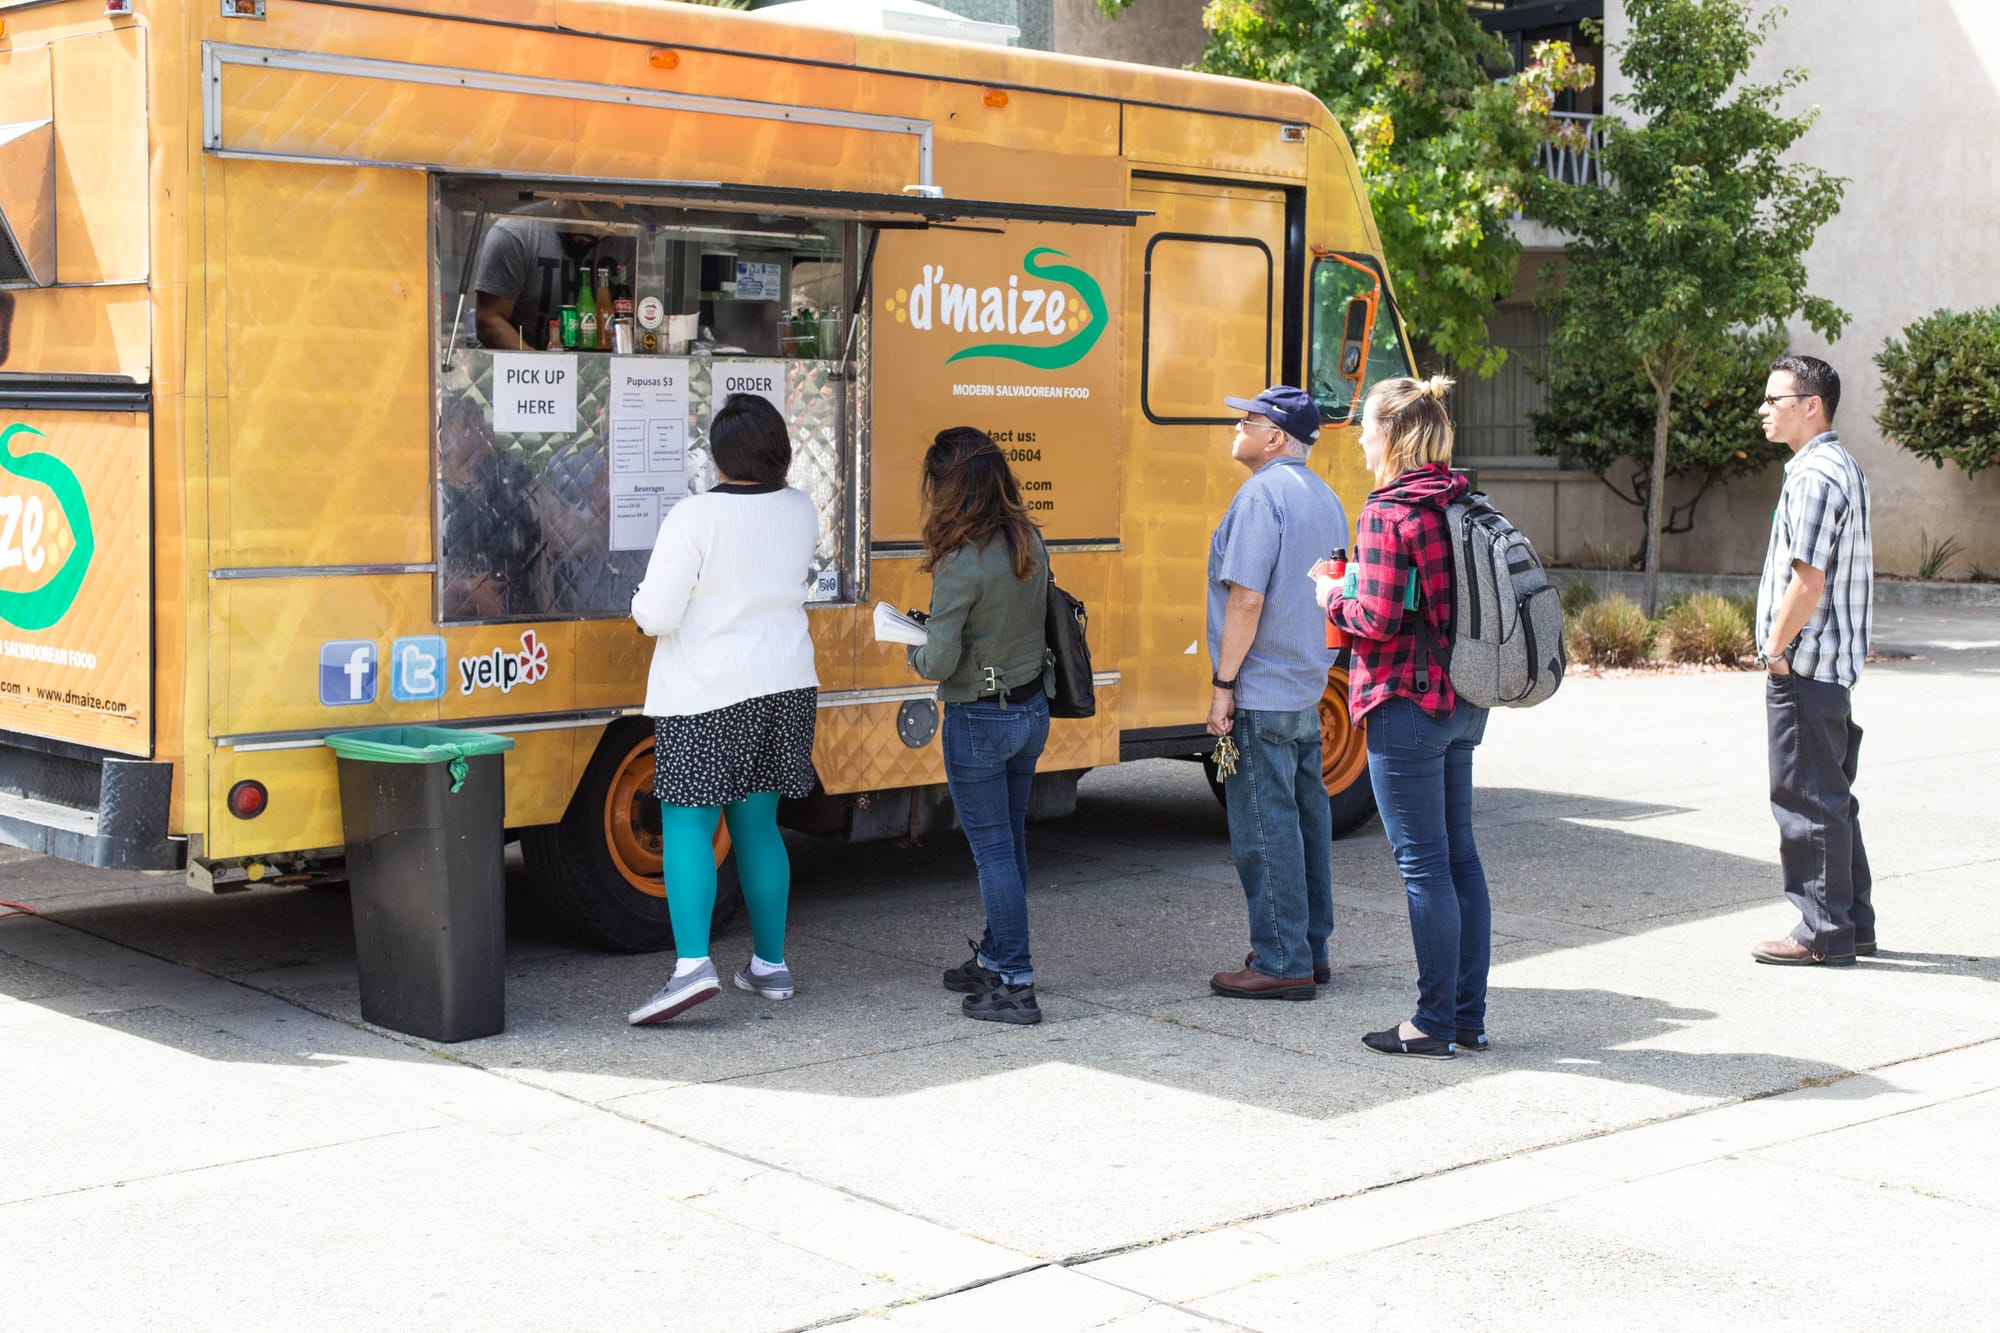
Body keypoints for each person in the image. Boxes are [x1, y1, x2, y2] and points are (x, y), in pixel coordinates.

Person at [626, 395, 820, 1024]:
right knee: (757, 826)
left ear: (717, 455)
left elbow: (655, 614)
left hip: (709, 691)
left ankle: (690, 970)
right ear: (779, 449)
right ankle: (769, 965)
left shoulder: (694, 516)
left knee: (686, 823)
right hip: (785, 685)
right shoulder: (799, 508)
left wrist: (637, 602)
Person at [1320, 374, 1488, 1060]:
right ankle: (1467, 1017)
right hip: (1465, 698)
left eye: (1365, 426)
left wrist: (1330, 596)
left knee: (1423, 867)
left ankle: (1432, 1022)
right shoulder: (1461, 498)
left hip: (1404, 702)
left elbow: (1378, 617)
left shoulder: (1388, 511)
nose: (1360, 439)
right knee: (1460, 858)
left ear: (1391, 434)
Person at [1205, 386, 1348, 1002]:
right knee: (1306, 820)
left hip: (1260, 688)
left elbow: (1247, 598)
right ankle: (1309, 949)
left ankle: (1281, 959)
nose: (1237, 428)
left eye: (1249, 420)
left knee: (1264, 827)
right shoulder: (1327, 497)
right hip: (1305, 689)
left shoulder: (1261, 495)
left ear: (1276, 437)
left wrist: (1223, 685)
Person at [908, 427, 1052, 1026]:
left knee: (992, 852)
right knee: (1011, 843)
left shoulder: (961, 563)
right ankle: (995, 956)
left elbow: (937, 661)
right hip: (1030, 711)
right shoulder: (1029, 540)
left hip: (978, 720)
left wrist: (912, 646)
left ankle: (1016, 983)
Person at [1749, 354, 1875, 967]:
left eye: (1775, 400)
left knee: (1806, 799)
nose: (1763, 410)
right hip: (1825, 666)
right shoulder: (1832, 467)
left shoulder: (1816, 476)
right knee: (1832, 795)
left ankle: (1823, 931)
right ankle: (1854, 925)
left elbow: (1808, 580)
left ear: (1811, 406)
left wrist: (1775, 652)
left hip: (1805, 667)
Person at [472, 219, 622, 351]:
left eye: (606, 223)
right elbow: (489, 319)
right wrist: (541, 369)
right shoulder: (516, 234)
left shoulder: (627, 237)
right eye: (588, 218)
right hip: (519, 371)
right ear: (562, 199)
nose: (595, 231)